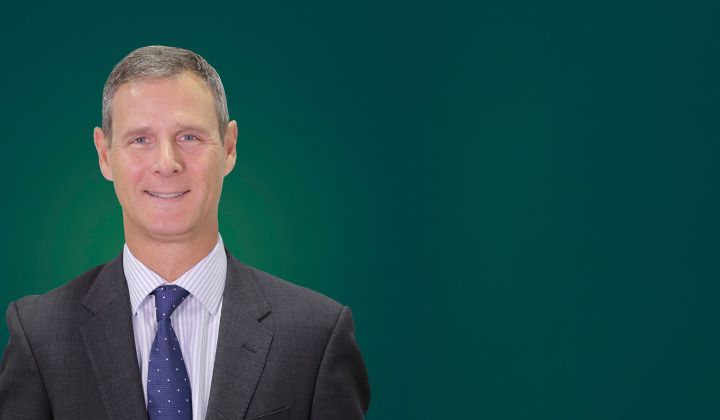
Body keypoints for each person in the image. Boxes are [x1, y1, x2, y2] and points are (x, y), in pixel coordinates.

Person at [0, 46, 370, 420]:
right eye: (141, 139)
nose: (167, 163)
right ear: (104, 154)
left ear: (229, 147)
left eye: (189, 137)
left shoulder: (316, 335)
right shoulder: (40, 336)